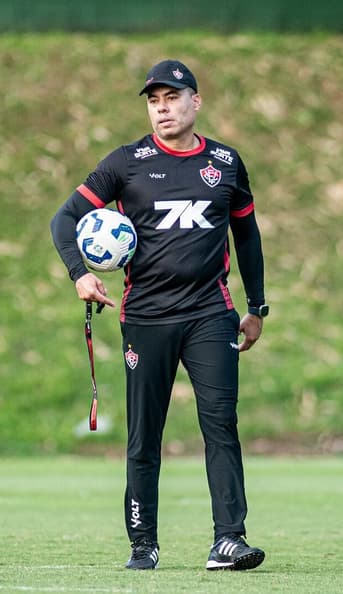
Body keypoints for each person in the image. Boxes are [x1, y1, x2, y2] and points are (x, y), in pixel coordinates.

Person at [50, 59, 268, 571]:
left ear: (196, 101)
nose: (163, 108)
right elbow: (65, 219)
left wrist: (256, 306)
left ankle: (229, 541)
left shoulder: (226, 163)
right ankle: (143, 542)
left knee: (221, 424)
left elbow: (248, 236)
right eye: (154, 100)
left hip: (211, 314)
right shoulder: (126, 163)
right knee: (145, 434)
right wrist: (80, 273)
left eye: (172, 98)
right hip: (146, 318)